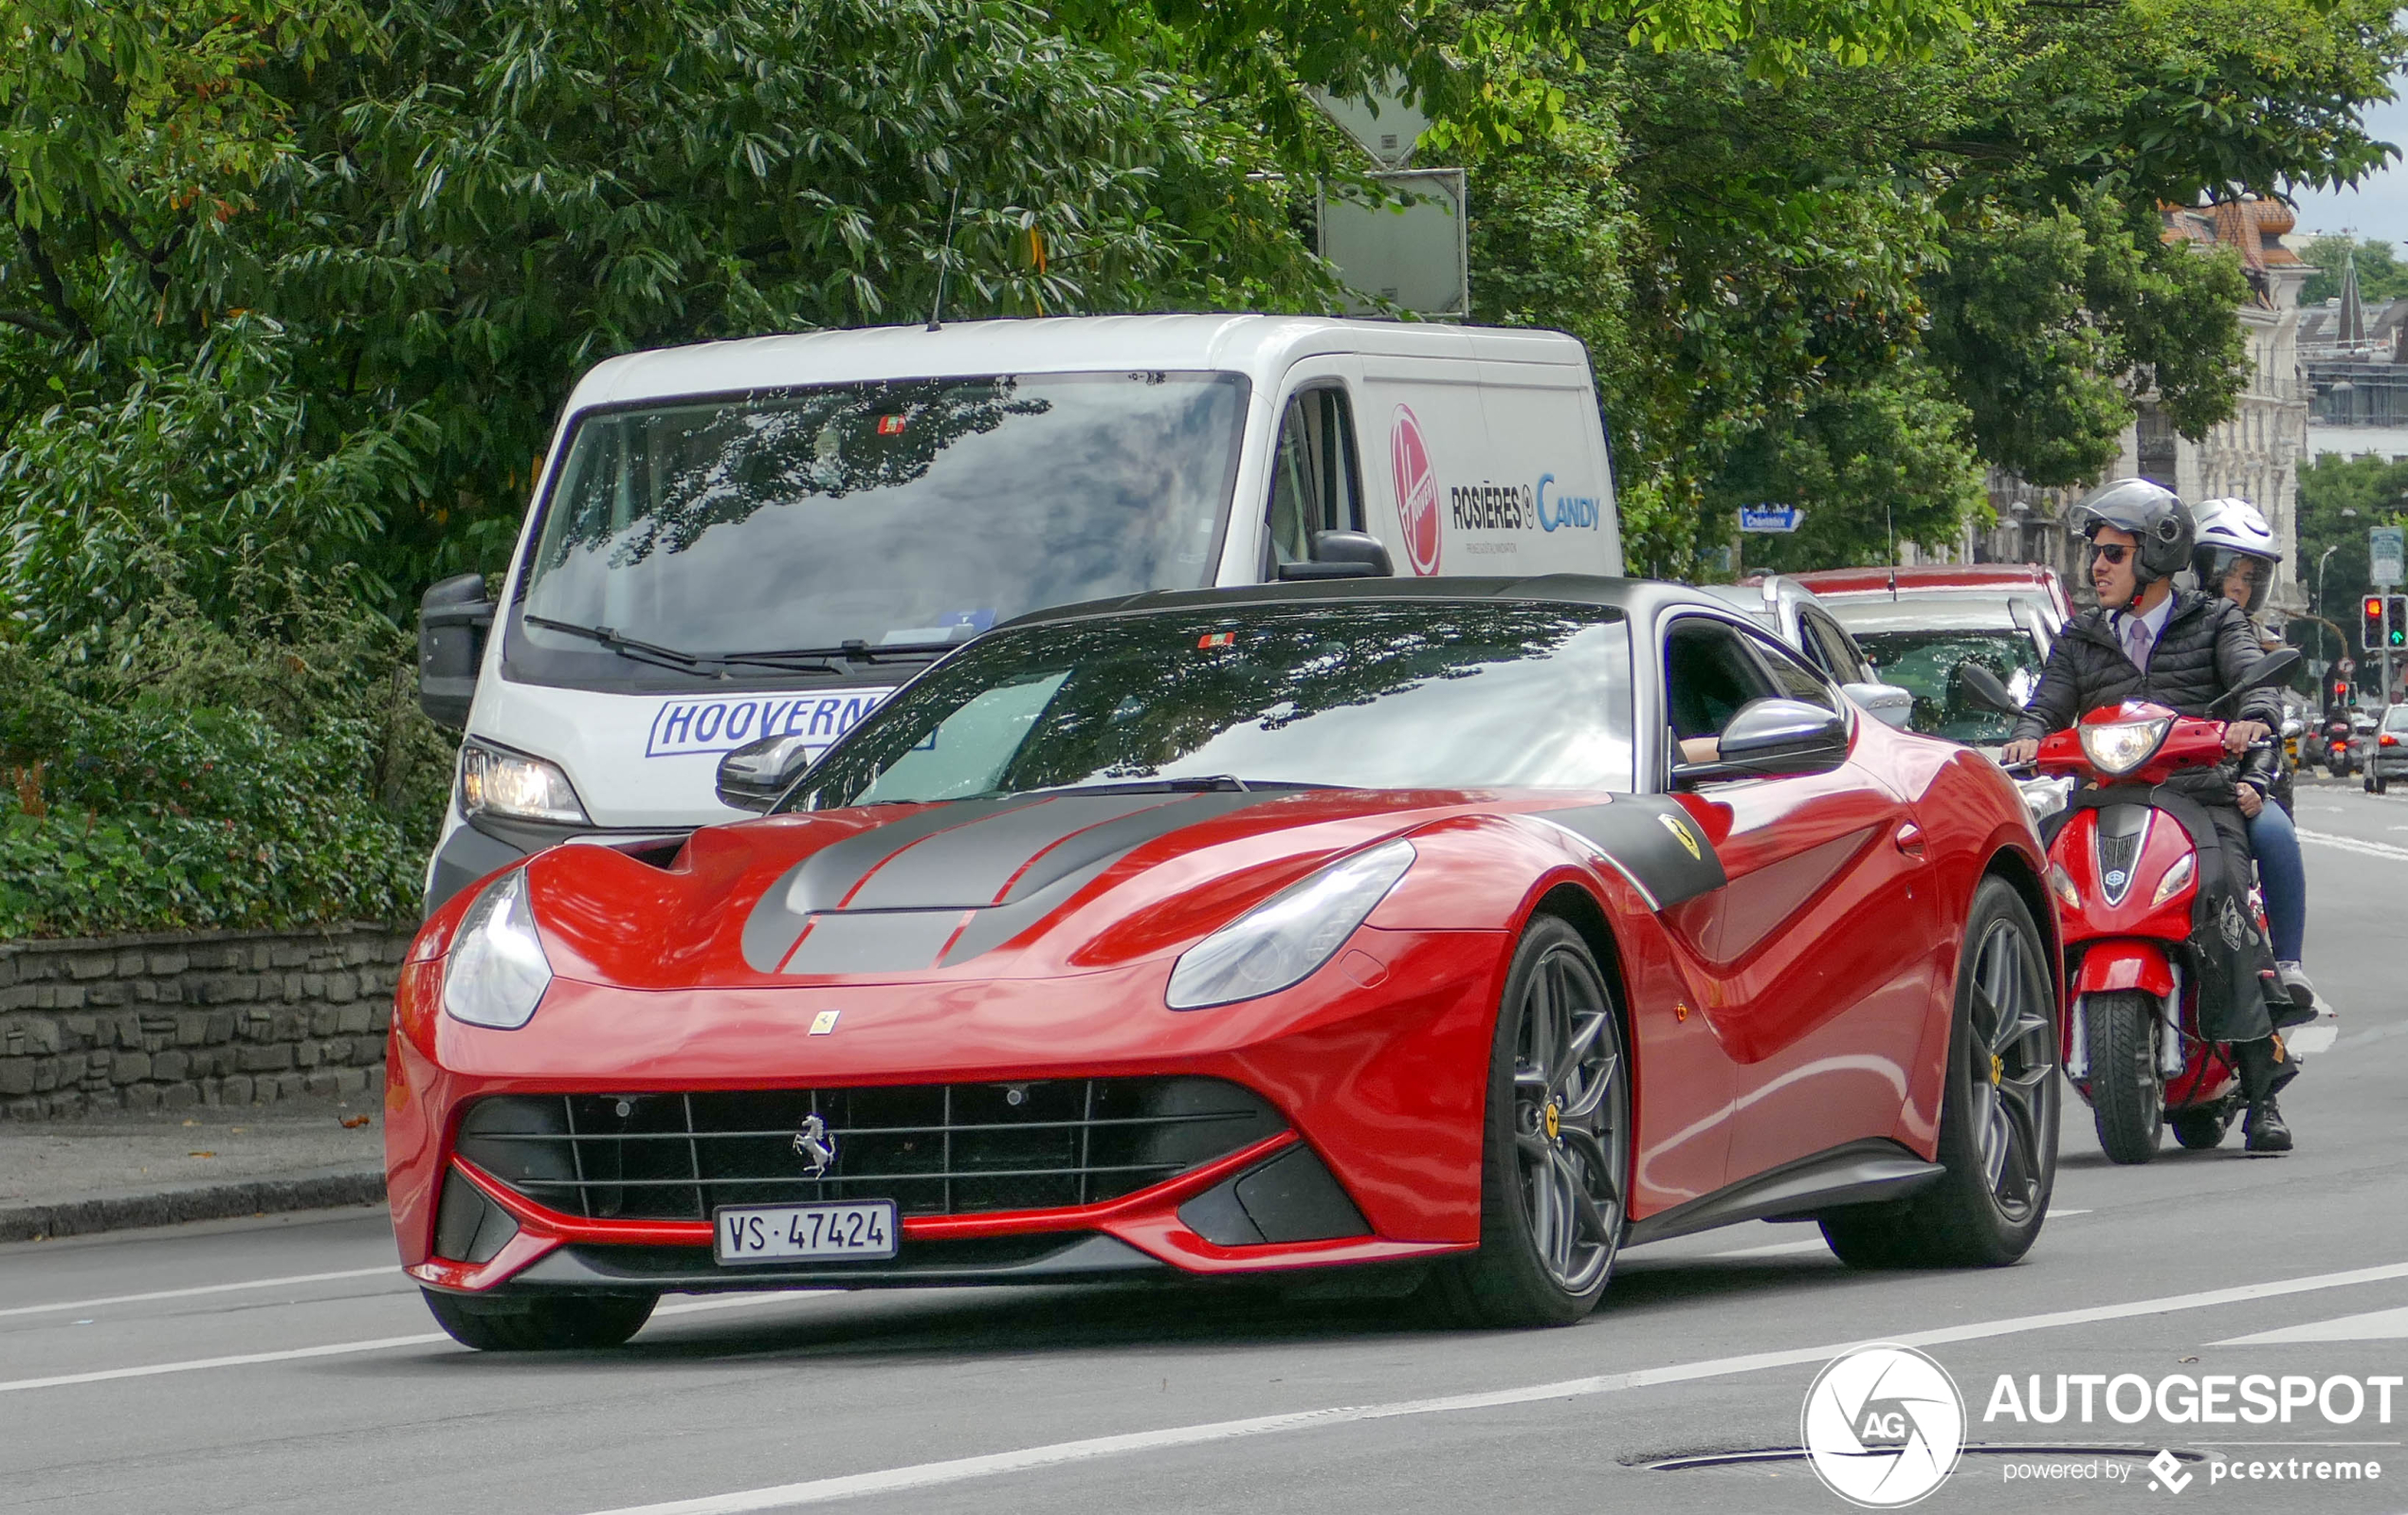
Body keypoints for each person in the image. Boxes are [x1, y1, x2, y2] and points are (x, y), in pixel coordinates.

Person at [1998, 479, 2296, 1153]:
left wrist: (2253, 717)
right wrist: (2025, 734)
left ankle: (2260, 1088)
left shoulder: (2213, 621)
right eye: (2094, 553)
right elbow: (2047, 705)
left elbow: (2254, 678)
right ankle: (2006, 1065)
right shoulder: (2080, 636)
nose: (2096, 567)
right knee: (2029, 894)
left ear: (2155, 559)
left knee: (2225, 906)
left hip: (2198, 798)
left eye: (2111, 552)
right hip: (2105, 799)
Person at [2190, 496, 2314, 1010]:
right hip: (2169, 779)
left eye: (2249, 577)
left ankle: (2288, 964)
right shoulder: (2170, 627)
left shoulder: (2262, 646)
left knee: (2274, 833)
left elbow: (2267, 715)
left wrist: (2256, 779)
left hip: (2244, 785)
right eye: (2227, 573)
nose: (2236, 587)